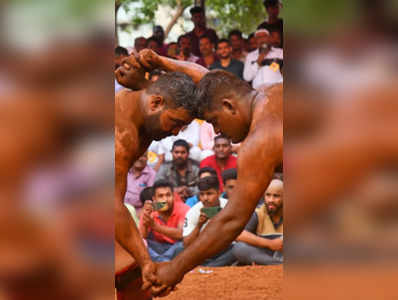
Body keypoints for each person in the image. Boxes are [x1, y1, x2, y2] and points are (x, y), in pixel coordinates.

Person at [135, 48, 282, 289]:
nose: (217, 131)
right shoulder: (269, 93)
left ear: (228, 105)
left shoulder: (259, 141)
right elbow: (209, 78)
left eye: (215, 120)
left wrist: (175, 268)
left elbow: (232, 220)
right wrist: (161, 61)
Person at [115, 54, 197, 297]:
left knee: (132, 272)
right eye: (174, 122)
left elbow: (207, 79)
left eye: (181, 127)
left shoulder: (148, 101)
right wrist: (146, 260)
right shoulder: (121, 137)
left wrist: (159, 60)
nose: (174, 133)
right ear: (156, 103)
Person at [183, 176, 236, 266]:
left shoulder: (229, 206)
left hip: (226, 248)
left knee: (238, 249)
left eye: (209, 193)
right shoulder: (193, 212)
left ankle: (211, 266)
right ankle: (214, 265)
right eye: (202, 194)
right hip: (203, 250)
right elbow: (186, 243)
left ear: (219, 193)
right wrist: (199, 225)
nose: (205, 198)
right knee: (179, 250)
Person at [233, 178, 283, 265]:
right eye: (268, 195)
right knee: (239, 248)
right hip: (263, 254)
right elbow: (239, 235)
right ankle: (277, 265)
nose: (270, 200)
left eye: (276, 196)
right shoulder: (258, 212)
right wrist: (270, 243)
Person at [139, 180, 189, 262]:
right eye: (161, 196)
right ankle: (164, 261)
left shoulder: (183, 208)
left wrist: (155, 226)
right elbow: (142, 236)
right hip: (159, 247)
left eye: (168, 195)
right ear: (154, 199)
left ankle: (160, 262)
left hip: (177, 247)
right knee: (141, 243)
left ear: (173, 196)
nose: (165, 200)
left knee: (183, 245)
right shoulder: (151, 209)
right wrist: (145, 216)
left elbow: (182, 234)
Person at [124, 152, 156, 217]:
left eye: (143, 156)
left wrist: (144, 211)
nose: (139, 158)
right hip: (122, 208)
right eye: (137, 155)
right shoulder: (125, 169)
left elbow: (159, 203)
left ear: (147, 158)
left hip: (140, 212)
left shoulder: (152, 174)